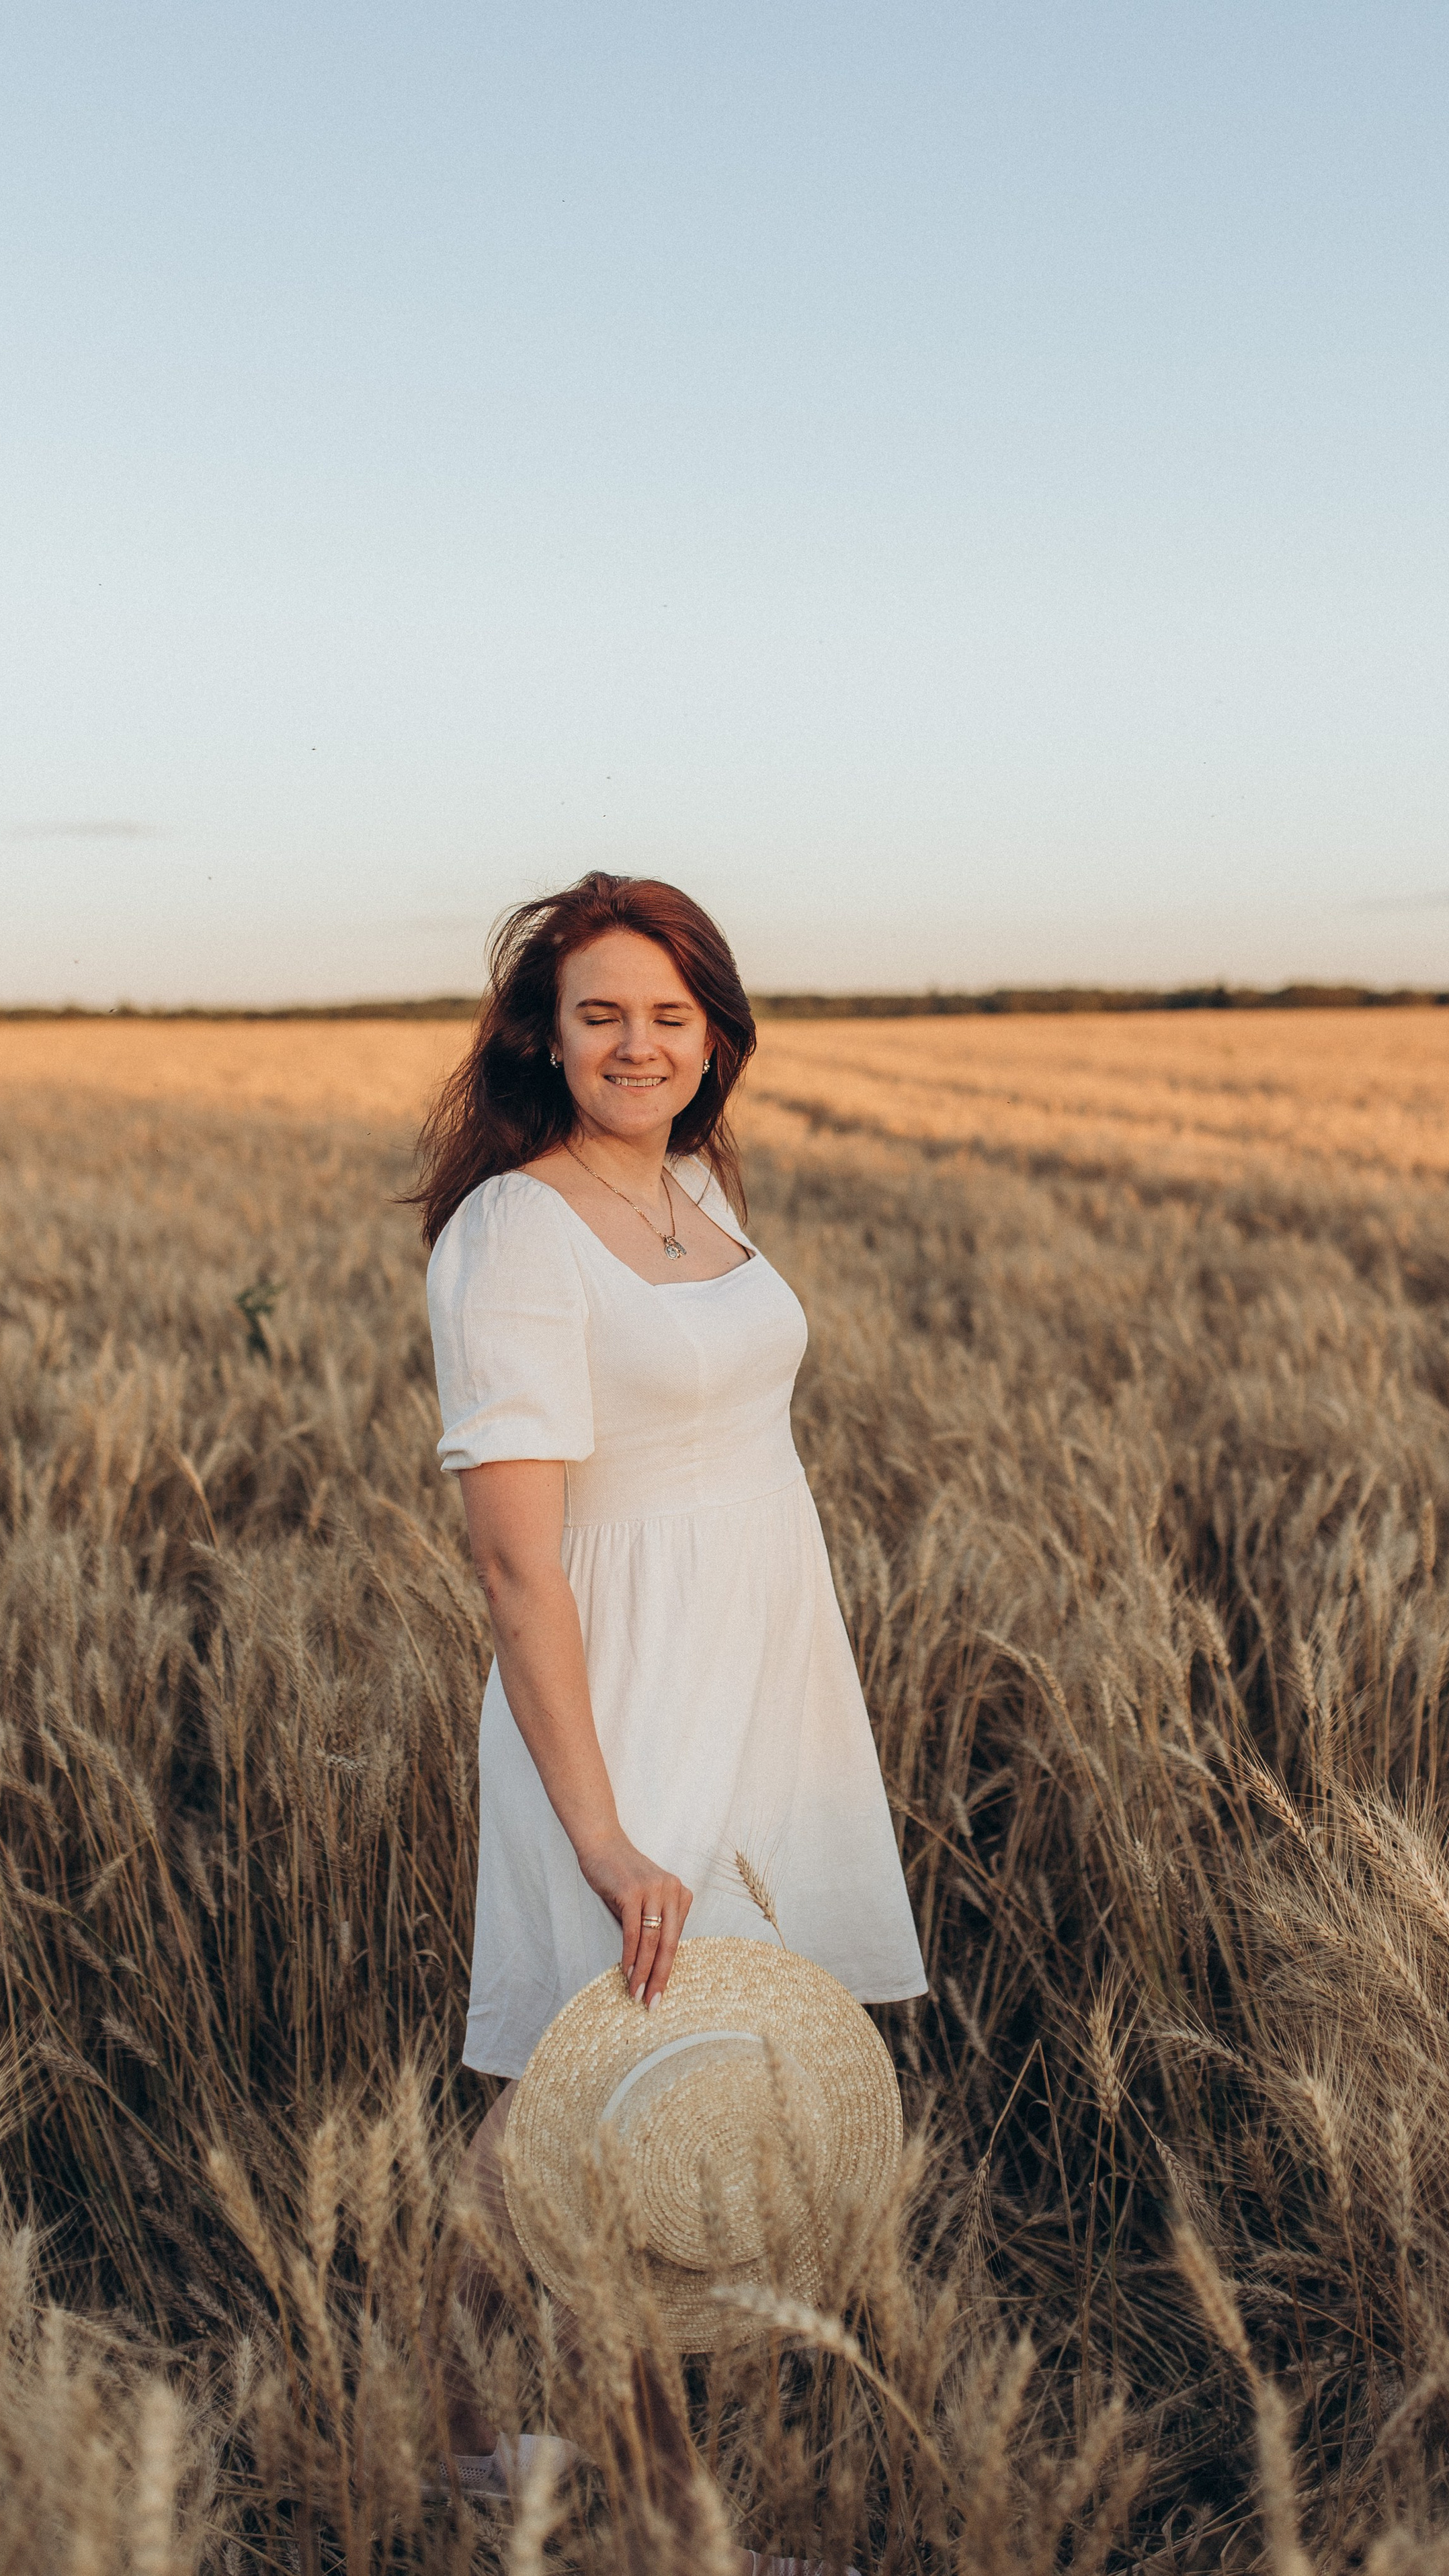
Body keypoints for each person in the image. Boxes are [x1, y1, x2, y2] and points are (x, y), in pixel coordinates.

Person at [413, 870, 927, 2497]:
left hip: (767, 1658)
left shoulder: (699, 1183)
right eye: (600, 1015)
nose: (638, 1044)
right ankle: (452, 2435)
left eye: (668, 1014)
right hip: (621, 1685)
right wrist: (602, 1830)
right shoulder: (515, 1230)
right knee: (593, 2060)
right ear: (542, 1039)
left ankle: (612, 2467)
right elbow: (514, 1562)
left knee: (703, 2060)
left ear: (712, 1036)